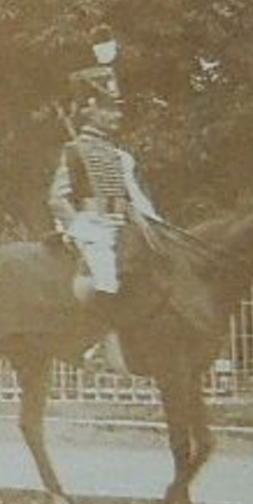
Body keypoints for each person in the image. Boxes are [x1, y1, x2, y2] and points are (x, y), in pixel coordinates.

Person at [47, 28, 163, 367]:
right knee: (105, 274)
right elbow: (57, 198)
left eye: (117, 109)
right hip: (91, 226)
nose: (117, 115)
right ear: (90, 109)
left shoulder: (119, 156)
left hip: (121, 224)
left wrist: (157, 229)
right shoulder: (75, 151)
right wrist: (82, 228)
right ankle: (93, 345)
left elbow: (138, 201)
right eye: (109, 109)